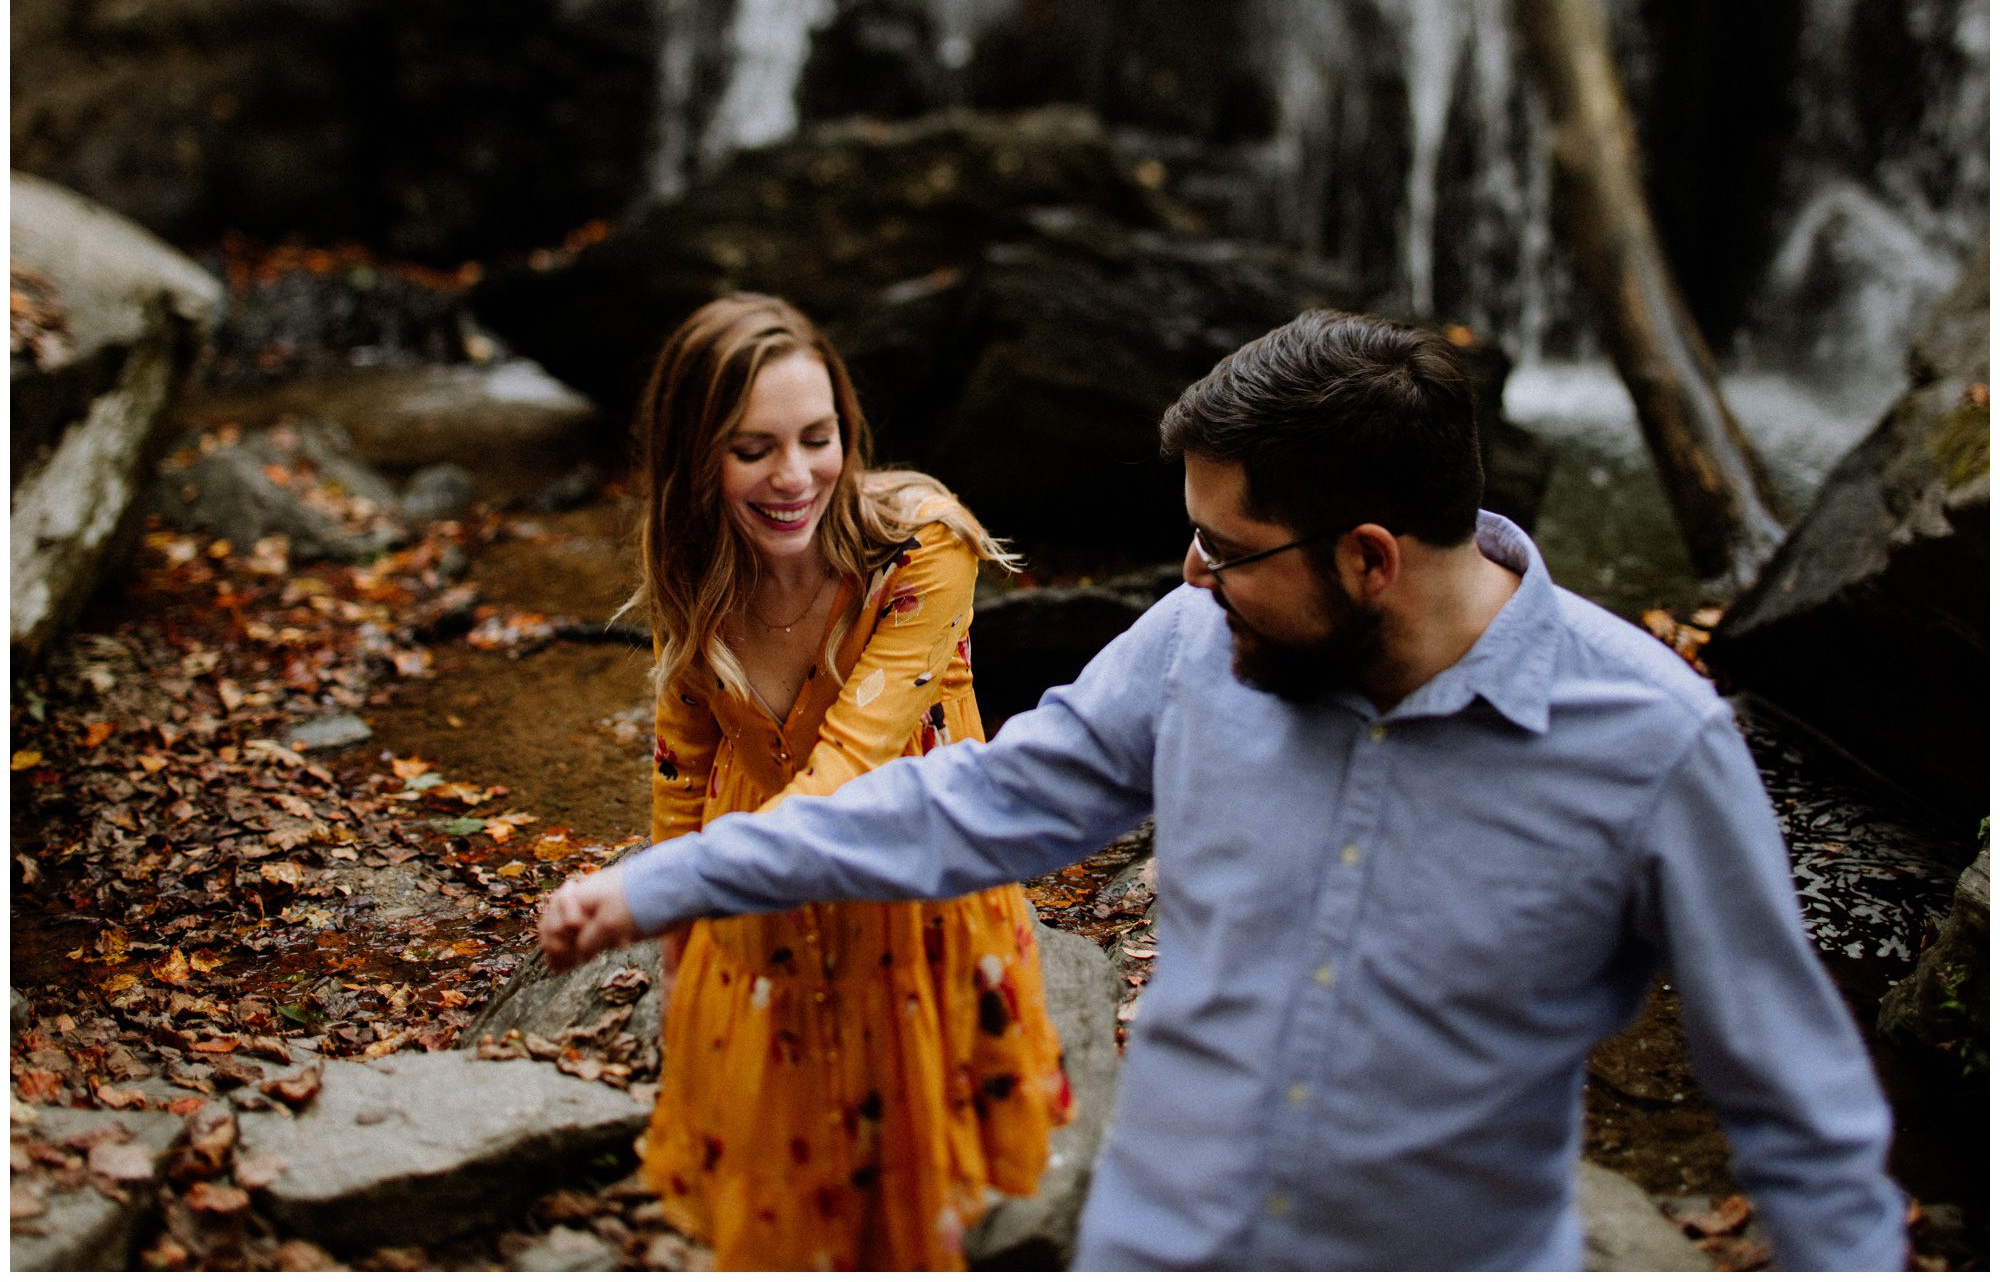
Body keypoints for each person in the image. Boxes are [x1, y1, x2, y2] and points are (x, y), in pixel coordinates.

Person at [543, 309, 1908, 1270]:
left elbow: (1803, 1122)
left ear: (1370, 556)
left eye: (1224, 545)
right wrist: (667, 879)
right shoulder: (1196, 647)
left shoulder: (1652, 744)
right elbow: (963, 801)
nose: (1187, 576)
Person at [597, 292, 1072, 1270]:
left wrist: (668, 885)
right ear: (696, 459)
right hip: (753, 917)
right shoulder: (695, 564)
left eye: (817, 438)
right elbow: (682, 756)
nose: (794, 475)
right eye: (751, 448)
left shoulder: (920, 547)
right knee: (786, 1189)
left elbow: (850, 765)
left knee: (901, 1194)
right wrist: (680, 935)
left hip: (903, 903)